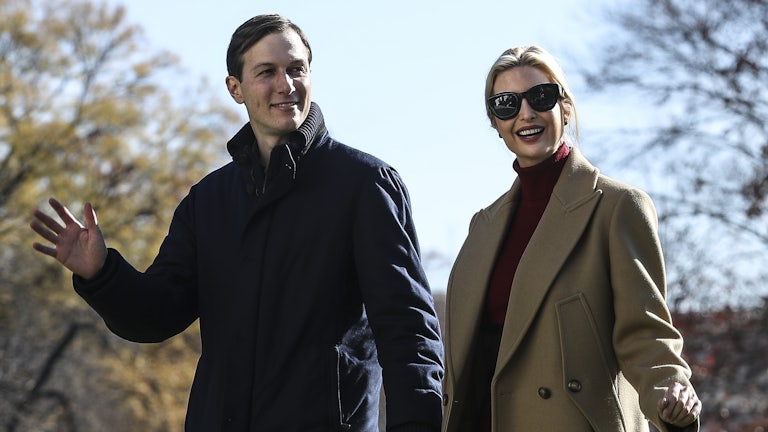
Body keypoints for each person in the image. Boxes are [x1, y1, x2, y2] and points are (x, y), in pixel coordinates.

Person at [30, 14, 444, 432]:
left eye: (296, 69)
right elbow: (156, 315)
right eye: (267, 72)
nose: (286, 84)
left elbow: (408, 331)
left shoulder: (365, 186)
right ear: (235, 88)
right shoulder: (207, 201)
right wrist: (103, 274)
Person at [440, 45, 701, 432]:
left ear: (564, 107)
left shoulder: (616, 207)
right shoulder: (482, 226)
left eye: (540, 97)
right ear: (495, 122)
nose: (526, 114)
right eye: (507, 104)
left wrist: (671, 393)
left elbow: (646, 333)